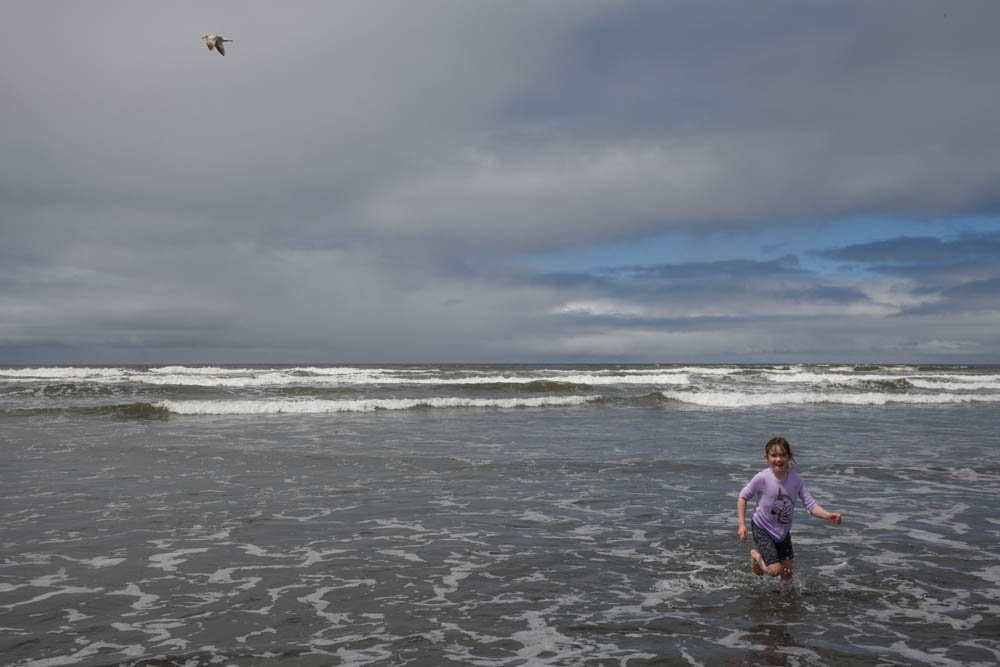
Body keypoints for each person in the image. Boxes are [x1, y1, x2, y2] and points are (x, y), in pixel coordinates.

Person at [737, 437, 841, 580]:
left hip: (782, 531)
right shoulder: (762, 478)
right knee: (775, 570)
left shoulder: (796, 480)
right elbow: (743, 497)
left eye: (782, 455)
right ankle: (755, 555)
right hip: (762, 527)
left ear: (789, 457)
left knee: (787, 573)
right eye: (774, 455)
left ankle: (782, 600)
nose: (778, 459)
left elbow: (810, 505)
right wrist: (742, 525)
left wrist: (828, 515)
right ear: (767, 458)